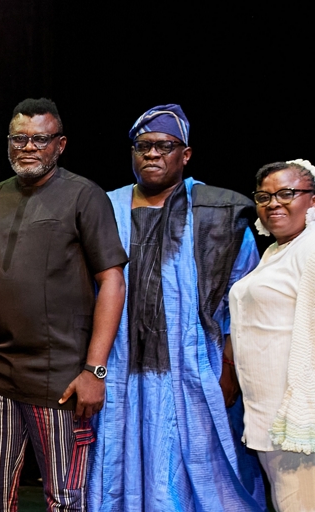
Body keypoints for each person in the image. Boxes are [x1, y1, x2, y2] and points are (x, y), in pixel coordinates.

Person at [90, 105, 267, 510]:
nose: (152, 154)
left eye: (164, 146)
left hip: (195, 371)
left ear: (185, 155)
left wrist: (228, 368)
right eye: (143, 146)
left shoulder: (219, 213)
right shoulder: (104, 208)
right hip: (119, 370)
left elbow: (242, 302)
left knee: (198, 475)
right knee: (118, 467)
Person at [0, 98, 127, 511]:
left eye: (39, 139)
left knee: (65, 499)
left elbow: (112, 281)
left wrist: (94, 369)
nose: (28, 147)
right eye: (18, 138)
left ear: (60, 144)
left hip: (60, 379)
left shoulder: (84, 196)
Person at [230, 158, 315, 511]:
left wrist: (313, 406)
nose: (273, 203)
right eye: (264, 196)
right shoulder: (277, 251)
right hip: (271, 418)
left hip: (306, 422)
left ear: (313, 200)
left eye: (286, 193)